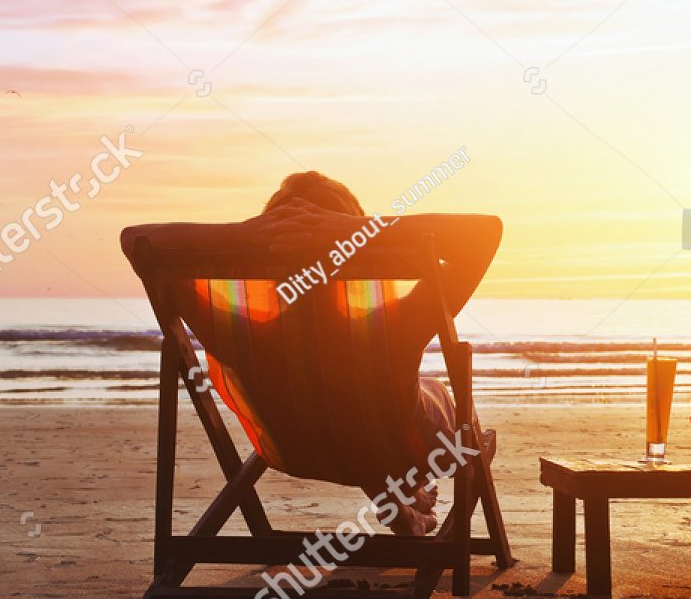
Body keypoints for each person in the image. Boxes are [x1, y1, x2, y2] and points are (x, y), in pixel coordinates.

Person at [120, 171, 502, 536]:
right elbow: (486, 233)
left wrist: (242, 234)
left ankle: (406, 512)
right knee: (417, 396)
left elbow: (134, 239)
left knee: (350, 415)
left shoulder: (240, 335)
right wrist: (352, 230)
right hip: (404, 453)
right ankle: (411, 489)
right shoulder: (395, 328)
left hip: (298, 453)